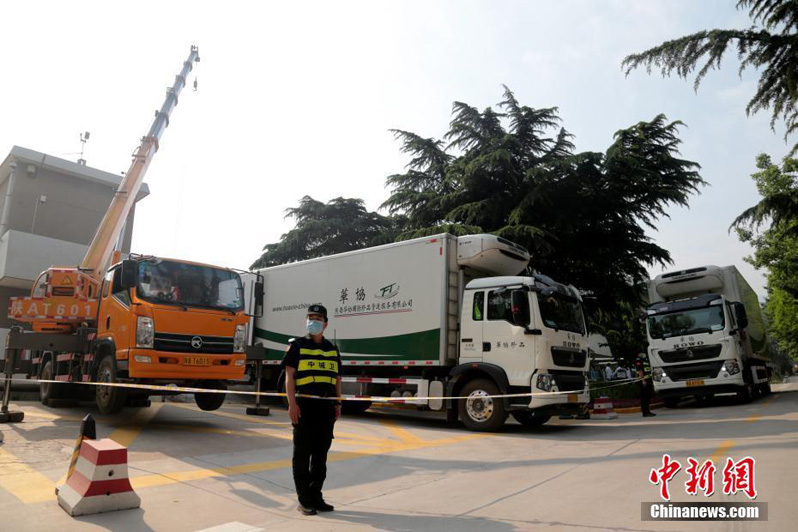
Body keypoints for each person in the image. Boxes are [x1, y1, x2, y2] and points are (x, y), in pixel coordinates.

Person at [282, 304, 342, 515]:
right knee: (302, 454)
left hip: (326, 407)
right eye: (310, 317)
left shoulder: (332, 349)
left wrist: (337, 403)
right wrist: (292, 404)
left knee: (320, 455)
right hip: (304, 405)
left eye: (317, 318)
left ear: (325, 323)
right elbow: (290, 376)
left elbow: (336, 378)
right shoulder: (297, 346)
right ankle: (304, 499)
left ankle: (316, 496)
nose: (313, 321)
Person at [636, 352, 656, 417]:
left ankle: (648, 411)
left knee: (648, 397)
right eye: (642, 353)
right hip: (644, 381)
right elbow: (640, 371)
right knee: (644, 397)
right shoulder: (639, 361)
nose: (643, 354)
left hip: (648, 380)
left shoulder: (645, 360)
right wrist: (643, 380)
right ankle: (645, 412)